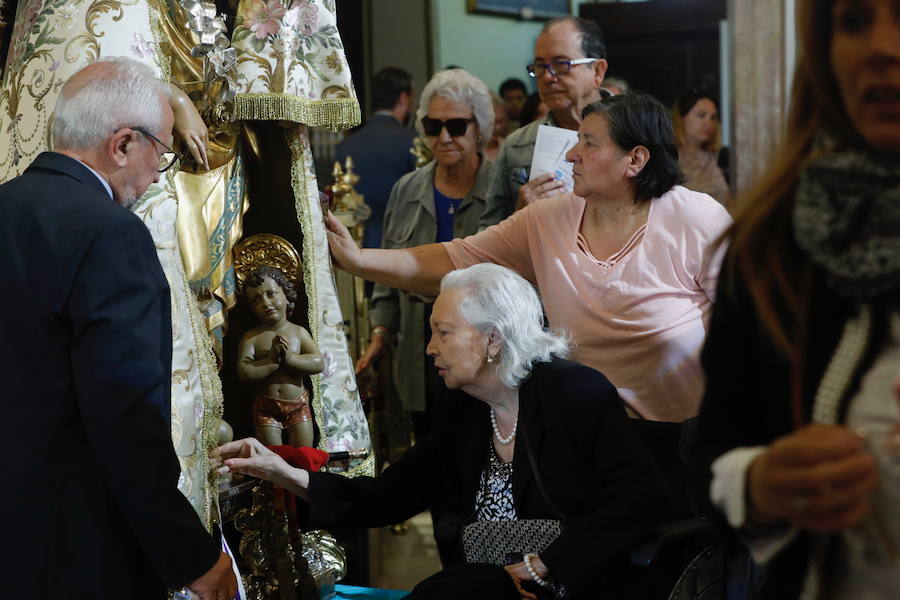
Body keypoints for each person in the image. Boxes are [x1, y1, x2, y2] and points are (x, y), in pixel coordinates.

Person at [218, 264, 669, 599]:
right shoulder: (463, 405)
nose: (430, 348)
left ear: (493, 340)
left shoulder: (574, 391)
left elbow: (640, 498)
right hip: (488, 588)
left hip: (574, 584)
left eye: (443, 332)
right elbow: (394, 494)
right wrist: (283, 471)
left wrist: (544, 565)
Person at [328, 92, 731, 424]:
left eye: (589, 143)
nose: (572, 155)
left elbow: (751, 323)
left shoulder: (694, 218)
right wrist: (359, 259)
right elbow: (456, 260)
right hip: (584, 434)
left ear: (636, 160)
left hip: (682, 437)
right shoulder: (550, 217)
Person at [0, 58, 237, 599]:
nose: (161, 171)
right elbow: (124, 415)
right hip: (72, 548)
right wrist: (191, 556)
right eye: (163, 148)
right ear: (123, 144)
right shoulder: (112, 235)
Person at [688, 0, 900, 597]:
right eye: (854, 21)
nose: (882, 47)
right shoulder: (772, 245)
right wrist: (757, 483)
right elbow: (711, 454)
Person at [354, 69, 494, 441]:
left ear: (480, 128)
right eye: (433, 126)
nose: (444, 137)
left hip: (484, 350)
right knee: (429, 449)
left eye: (457, 126)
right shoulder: (407, 189)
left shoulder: (501, 189)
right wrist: (381, 333)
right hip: (421, 348)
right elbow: (389, 269)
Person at [480, 16, 608, 229]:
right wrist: (520, 217)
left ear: (597, 71)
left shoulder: (635, 131)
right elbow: (485, 235)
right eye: (540, 67)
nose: (547, 77)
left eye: (560, 64)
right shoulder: (517, 146)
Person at [239, 266, 324, 448]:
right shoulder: (251, 338)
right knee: (272, 456)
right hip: (265, 407)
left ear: (286, 295)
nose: (265, 303)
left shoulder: (298, 332)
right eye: (256, 300)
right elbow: (244, 372)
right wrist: (270, 361)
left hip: (298, 404)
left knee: (302, 454)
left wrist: (291, 359)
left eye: (271, 294)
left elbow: (318, 363)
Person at [336, 66, 418, 250]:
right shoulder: (413, 142)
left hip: (355, 246)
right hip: (402, 245)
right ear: (404, 98)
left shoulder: (346, 146)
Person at [671, 89, 730, 205]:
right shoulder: (668, 158)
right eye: (701, 115)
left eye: (713, 118)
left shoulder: (714, 157)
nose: (709, 123)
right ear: (681, 118)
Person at [485, 91, 508, 162]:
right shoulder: (470, 153)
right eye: (492, 123)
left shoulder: (508, 147)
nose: (498, 128)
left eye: (501, 121)